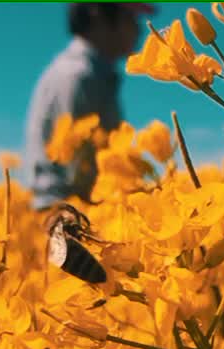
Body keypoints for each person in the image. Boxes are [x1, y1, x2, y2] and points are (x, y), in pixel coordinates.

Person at [23, 3, 154, 209]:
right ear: (98, 14)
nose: (139, 29)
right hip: (70, 214)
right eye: (130, 17)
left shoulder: (89, 73)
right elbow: (80, 170)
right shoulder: (79, 76)